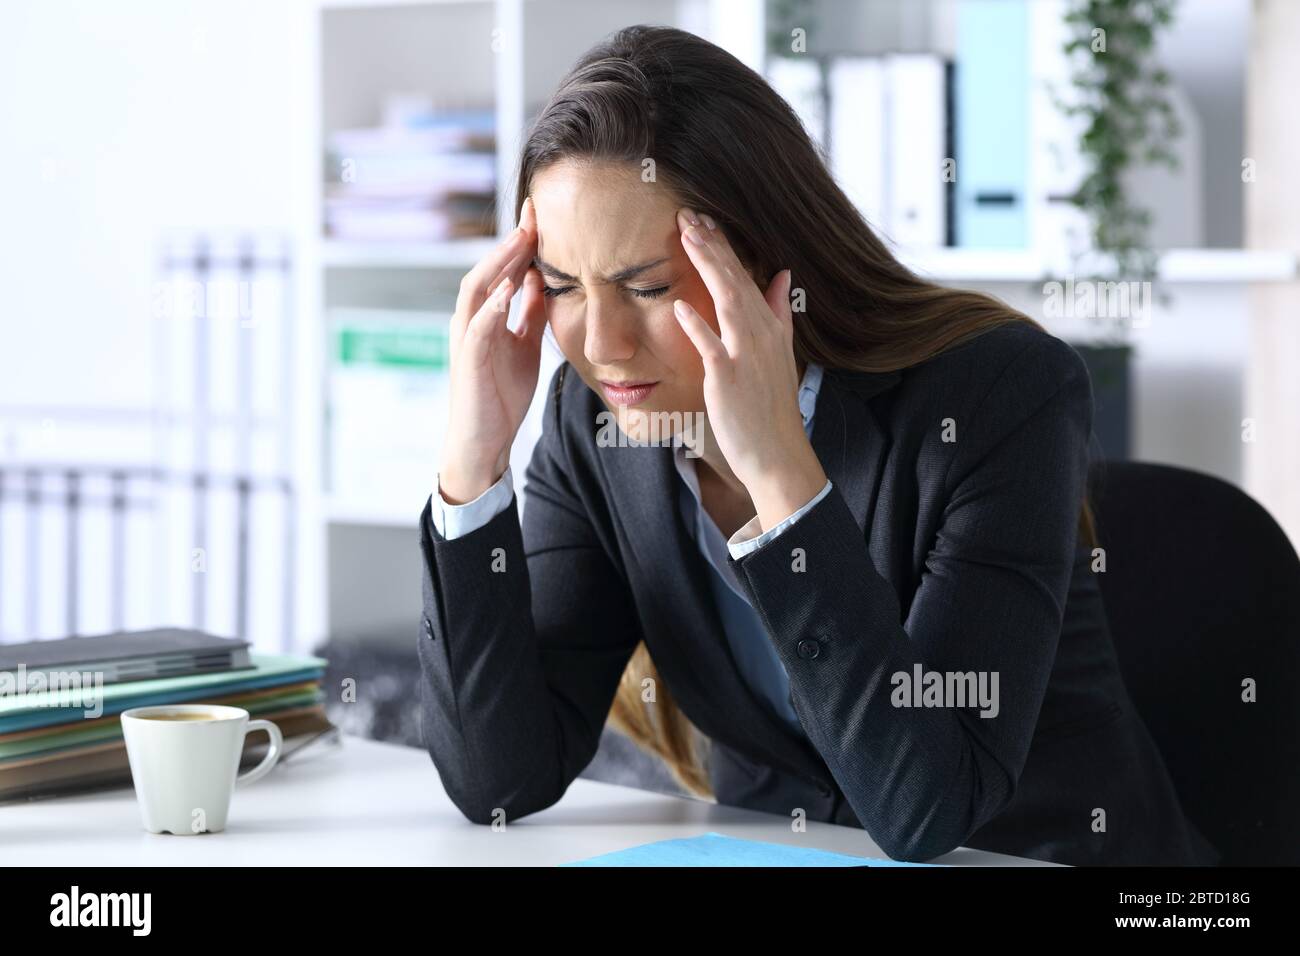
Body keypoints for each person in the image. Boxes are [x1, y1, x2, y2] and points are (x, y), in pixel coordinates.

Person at [415, 24, 1218, 866]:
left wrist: (779, 476)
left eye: (645, 286)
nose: (603, 344)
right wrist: (473, 464)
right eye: (561, 286)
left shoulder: (1001, 396)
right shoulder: (593, 420)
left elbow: (926, 813)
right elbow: (498, 783)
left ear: (768, 263)